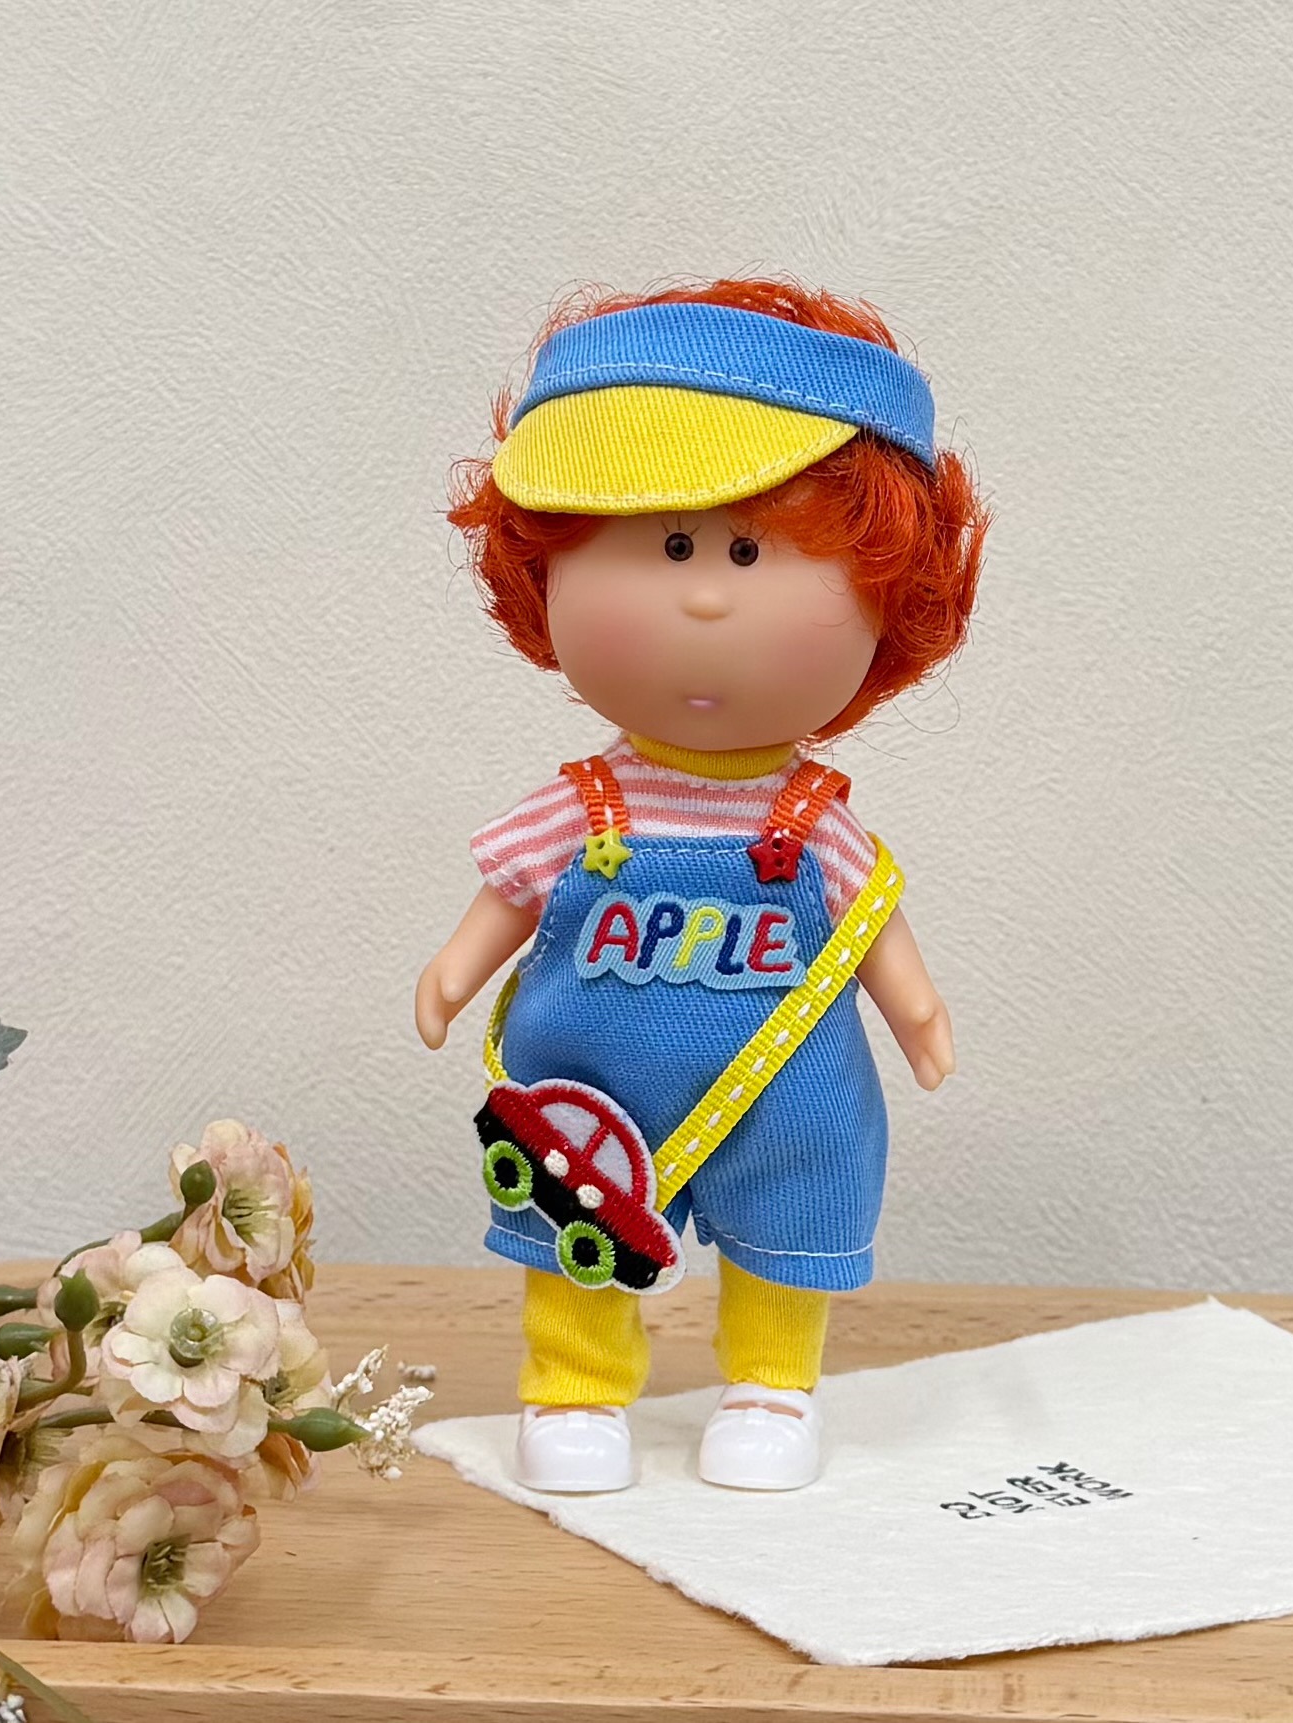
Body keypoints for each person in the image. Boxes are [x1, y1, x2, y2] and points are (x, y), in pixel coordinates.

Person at [415, 279, 988, 1491]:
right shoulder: (584, 806)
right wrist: (453, 972)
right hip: (591, 1090)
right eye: (667, 545)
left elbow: (873, 930)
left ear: (892, 597)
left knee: (789, 1221)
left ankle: (773, 1389)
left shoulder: (815, 824)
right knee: (572, 1227)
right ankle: (574, 1389)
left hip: (784, 1090)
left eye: (748, 549)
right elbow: (509, 895)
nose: (708, 592)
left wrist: (919, 1014)